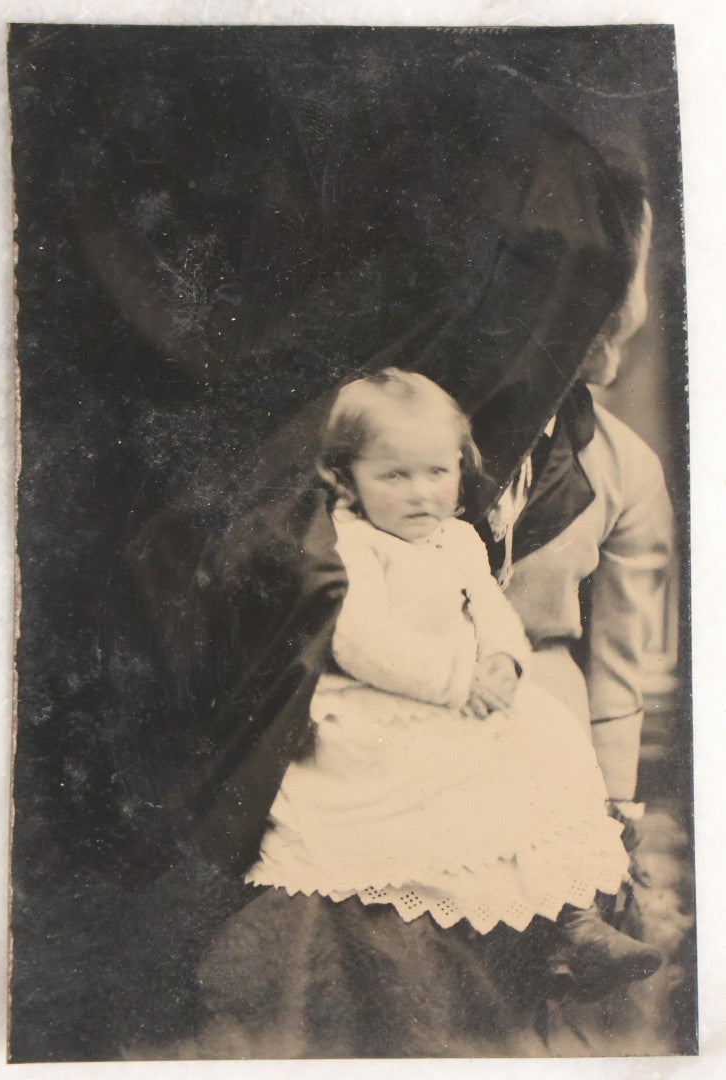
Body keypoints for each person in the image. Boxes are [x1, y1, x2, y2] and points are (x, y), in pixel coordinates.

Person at [189, 369, 660, 1057]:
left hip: (460, 689)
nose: (419, 494)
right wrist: (453, 680)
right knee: (447, 777)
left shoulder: (459, 540)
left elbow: (495, 614)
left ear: (461, 469)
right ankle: (497, 909)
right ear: (344, 479)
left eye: (436, 473)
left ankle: (574, 917)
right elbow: (362, 643)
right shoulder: (355, 544)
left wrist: (502, 663)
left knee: (552, 735)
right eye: (394, 476)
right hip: (378, 706)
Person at [480, 182, 673, 874]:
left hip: (541, 705)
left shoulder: (626, 470)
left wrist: (616, 811)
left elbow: (618, 665)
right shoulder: (424, 437)